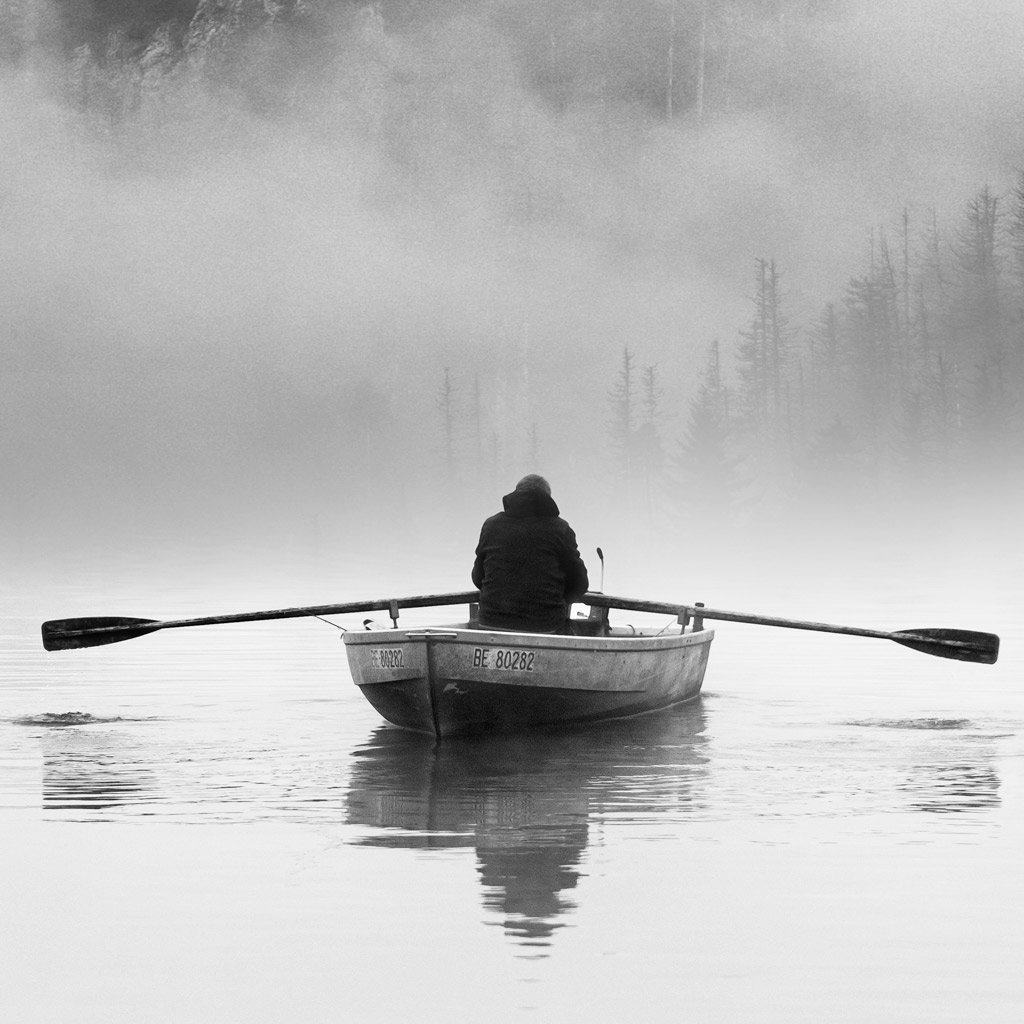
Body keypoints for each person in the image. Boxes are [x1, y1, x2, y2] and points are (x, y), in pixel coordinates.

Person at [471, 474, 589, 633]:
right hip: (544, 627)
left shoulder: (491, 526)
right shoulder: (560, 530)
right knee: (578, 630)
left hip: (490, 624)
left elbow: (478, 577)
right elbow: (580, 583)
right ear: (548, 499)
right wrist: (557, 601)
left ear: (515, 493)